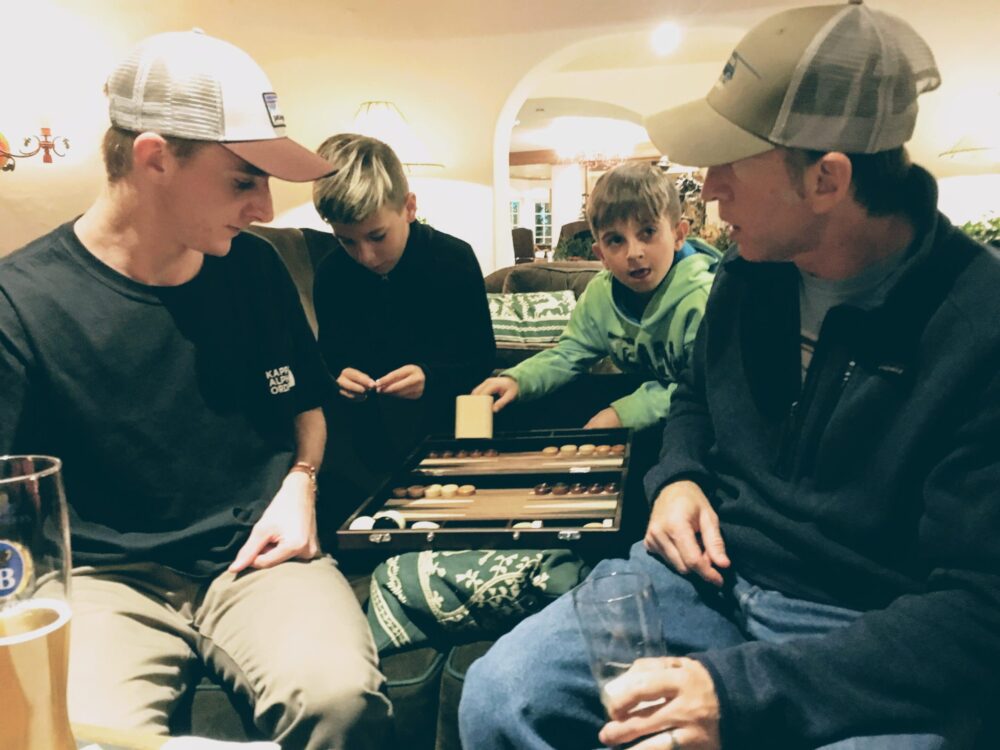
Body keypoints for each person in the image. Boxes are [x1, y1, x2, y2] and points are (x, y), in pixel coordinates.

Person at [459, 2, 1000, 749]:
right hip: (705, 579)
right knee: (502, 696)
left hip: (864, 635)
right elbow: (696, 395)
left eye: (730, 162)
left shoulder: (979, 328)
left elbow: (978, 612)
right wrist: (677, 477)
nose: (708, 188)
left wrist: (736, 694)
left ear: (827, 179)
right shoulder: (750, 273)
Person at [0, 30, 391, 749]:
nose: (266, 207)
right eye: (244, 181)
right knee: (82, 735)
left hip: (259, 557)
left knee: (340, 700)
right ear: (154, 158)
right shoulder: (21, 303)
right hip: (106, 578)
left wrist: (301, 482)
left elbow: (306, 407)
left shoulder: (257, 270)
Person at [308, 134, 495, 493]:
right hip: (365, 445)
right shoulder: (332, 274)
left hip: (445, 433)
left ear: (409, 208)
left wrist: (431, 377)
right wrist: (339, 378)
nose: (365, 256)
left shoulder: (453, 259)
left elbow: (481, 358)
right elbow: (328, 361)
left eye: (377, 236)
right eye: (346, 240)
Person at [472, 162, 719, 433]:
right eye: (616, 240)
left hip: (702, 417)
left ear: (678, 235)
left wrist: (622, 415)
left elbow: (704, 389)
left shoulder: (705, 299)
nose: (633, 253)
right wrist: (518, 380)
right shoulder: (601, 294)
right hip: (651, 402)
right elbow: (569, 354)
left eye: (648, 232)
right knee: (550, 399)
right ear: (601, 254)